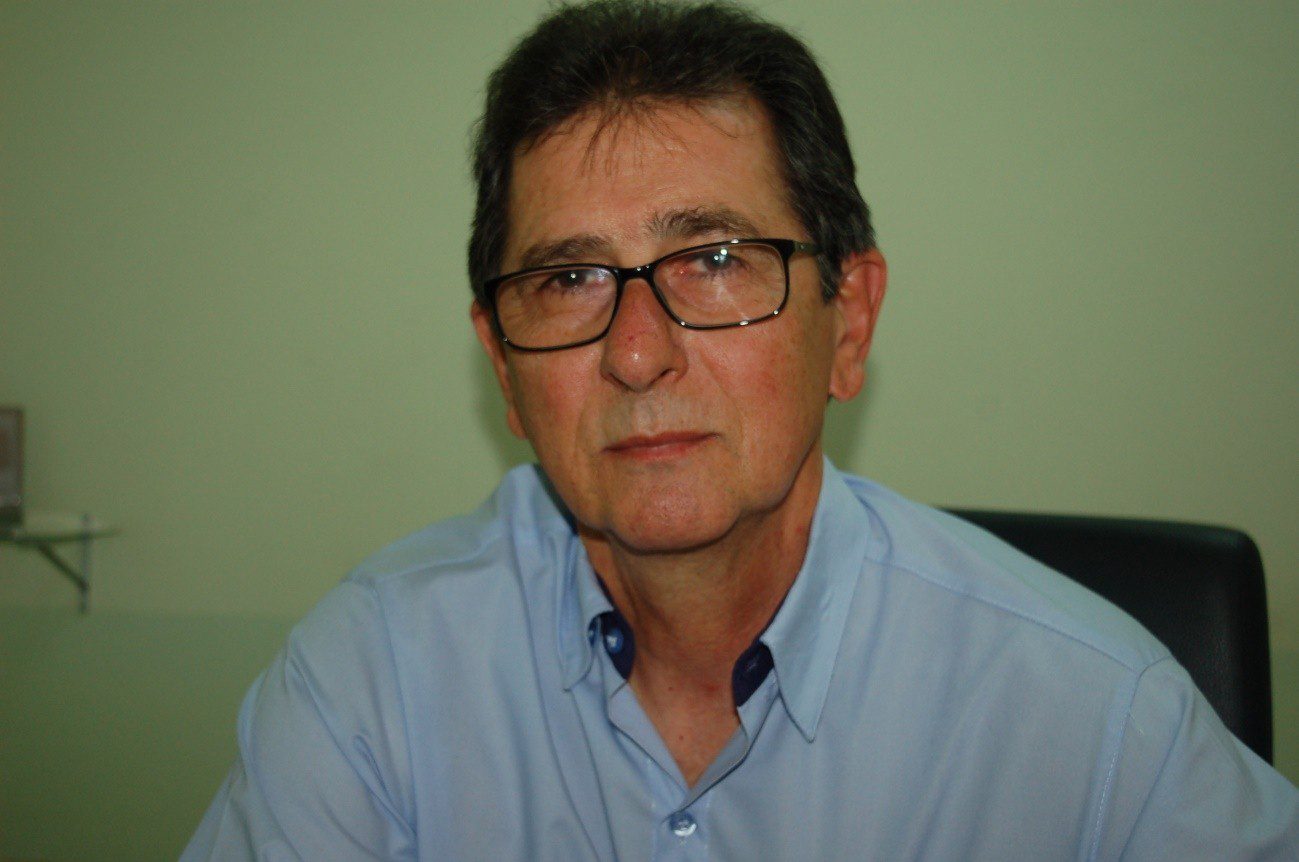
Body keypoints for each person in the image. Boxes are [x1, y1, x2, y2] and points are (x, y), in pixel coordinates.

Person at [183, 2, 1298, 859]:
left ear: (848, 322)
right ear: (504, 370)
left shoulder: (1093, 716)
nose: (636, 353)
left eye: (714, 260)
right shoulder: (372, 680)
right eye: (569, 279)